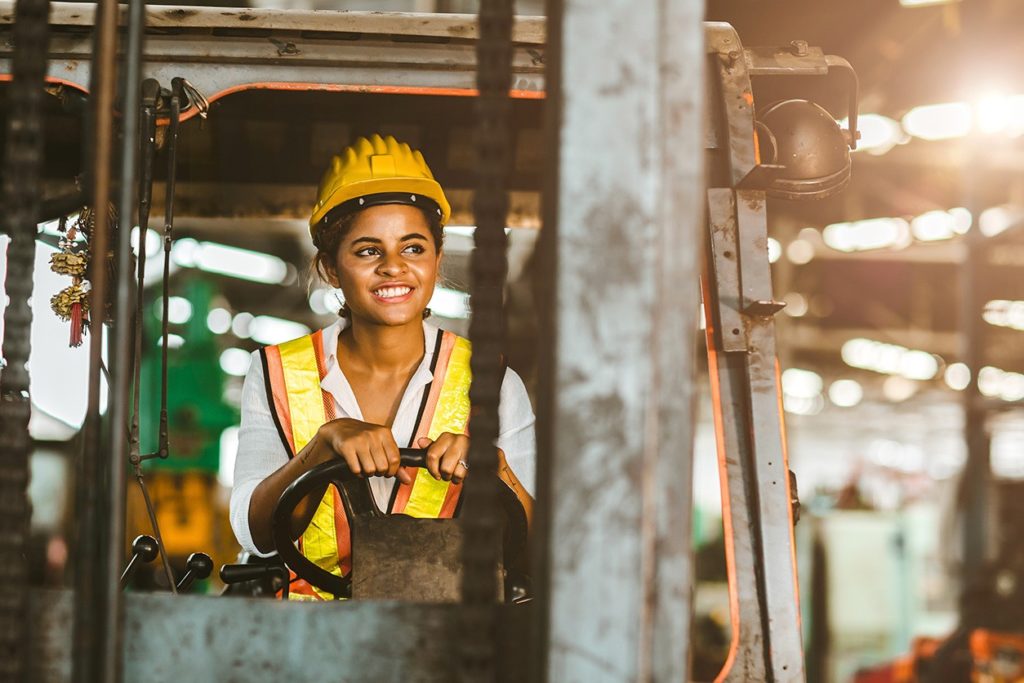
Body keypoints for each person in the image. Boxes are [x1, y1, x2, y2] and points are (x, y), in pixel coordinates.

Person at [229, 134, 536, 600]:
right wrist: (321, 448)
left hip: (443, 638)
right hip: (304, 641)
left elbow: (532, 545)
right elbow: (257, 535)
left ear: (435, 259)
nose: (394, 267)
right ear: (331, 268)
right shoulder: (274, 372)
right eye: (368, 250)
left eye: (413, 248)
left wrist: (497, 472)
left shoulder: (494, 383)